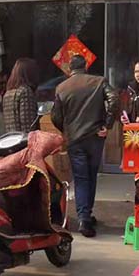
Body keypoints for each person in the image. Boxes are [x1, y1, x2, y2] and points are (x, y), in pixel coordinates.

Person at [51, 55, 120, 238]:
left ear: (70, 69)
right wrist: (107, 124)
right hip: (96, 136)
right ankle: (86, 215)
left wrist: (67, 130)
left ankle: (84, 217)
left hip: (75, 140)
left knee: (81, 178)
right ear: (86, 66)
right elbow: (114, 100)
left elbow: (55, 117)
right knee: (91, 175)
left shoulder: (61, 88)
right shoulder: (99, 81)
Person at [2, 58, 40, 133]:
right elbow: (28, 123)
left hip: (11, 139)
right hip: (23, 140)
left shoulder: (8, 93)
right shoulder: (25, 91)